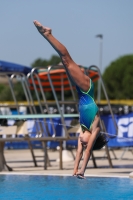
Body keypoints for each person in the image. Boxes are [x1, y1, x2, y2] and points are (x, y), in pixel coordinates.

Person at [33, 20, 108, 179]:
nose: (82, 141)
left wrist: (74, 171)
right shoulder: (94, 129)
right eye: (87, 142)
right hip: (86, 89)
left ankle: (48, 36)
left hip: (79, 90)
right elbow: (86, 152)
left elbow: (80, 151)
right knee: (66, 58)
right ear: (93, 141)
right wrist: (82, 171)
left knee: (65, 63)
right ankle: (48, 34)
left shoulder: (83, 130)